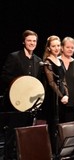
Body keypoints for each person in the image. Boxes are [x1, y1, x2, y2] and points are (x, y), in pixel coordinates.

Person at [0, 30, 43, 159]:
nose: (32, 43)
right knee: (12, 132)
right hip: (15, 101)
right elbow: (5, 76)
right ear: (24, 41)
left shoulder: (38, 60)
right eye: (29, 40)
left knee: (27, 131)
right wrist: (20, 83)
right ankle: (8, 156)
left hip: (30, 103)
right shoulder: (14, 57)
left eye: (34, 41)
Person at [42, 35, 69, 154]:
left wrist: (67, 94)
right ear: (49, 48)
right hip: (52, 98)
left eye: (58, 45)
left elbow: (64, 80)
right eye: (53, 46)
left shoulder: (61, 60)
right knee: (53, 124)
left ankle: (60, 149)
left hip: (62, 97)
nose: (57, 48)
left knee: (61, 124)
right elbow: (51, 82)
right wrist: (61, 96)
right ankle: (53, 151)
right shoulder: (47, 62)